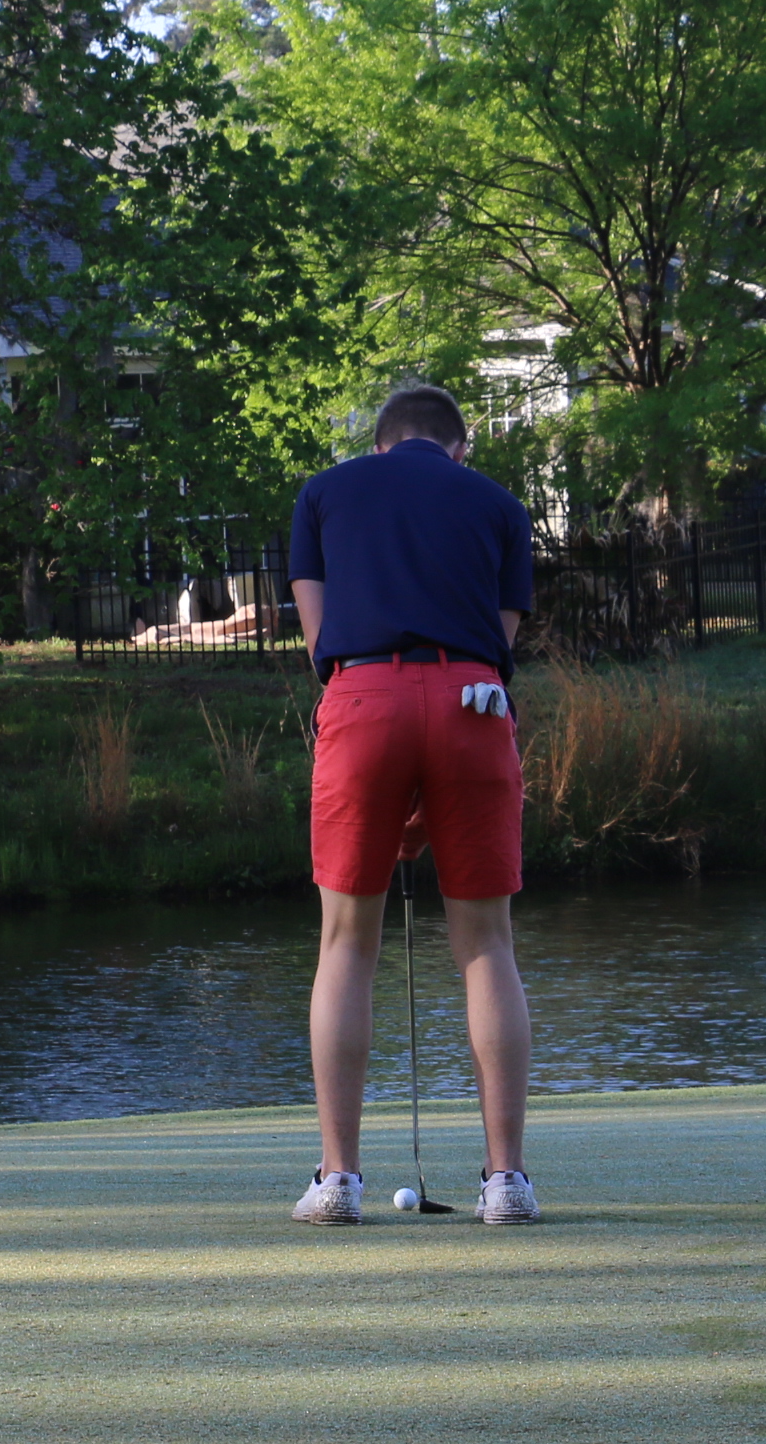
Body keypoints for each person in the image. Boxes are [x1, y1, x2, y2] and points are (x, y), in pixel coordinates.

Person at [283, 386, 538, 1226]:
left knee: (346, 942)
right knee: (487, 943)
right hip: (474, 702)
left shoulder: (323, 493)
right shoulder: (500, 505)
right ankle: (507, 1183)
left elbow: (319, 642)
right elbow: (498, 645)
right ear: (460, 449)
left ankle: (337, 1182)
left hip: (363, 698)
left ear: (380, 443)